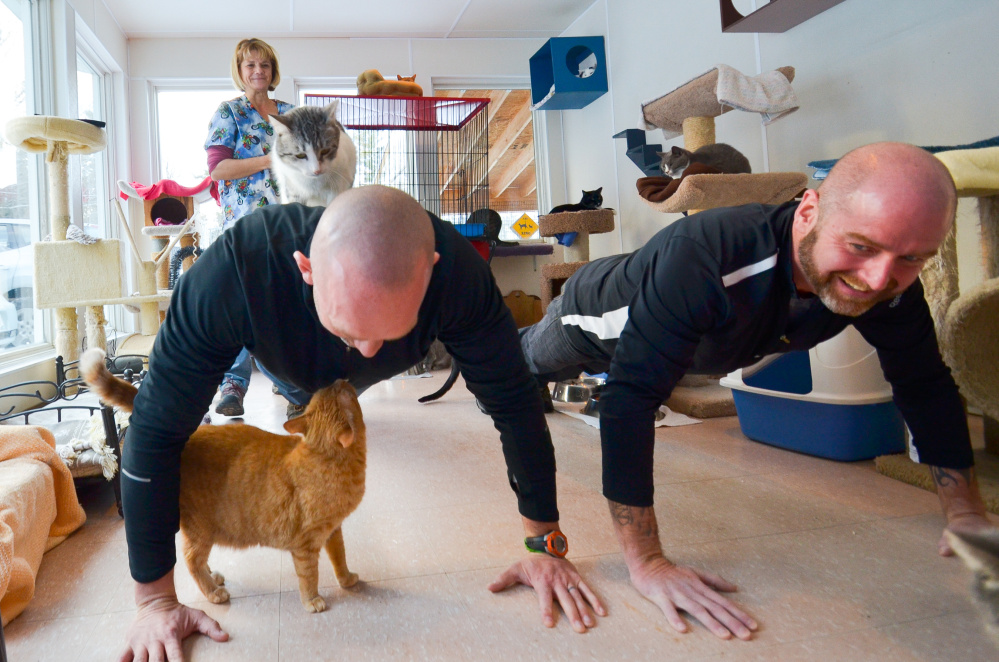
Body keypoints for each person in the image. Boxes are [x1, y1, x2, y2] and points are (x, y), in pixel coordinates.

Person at [519, 141, 995, 641]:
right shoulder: (708, 256)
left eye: (912, 258)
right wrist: (648, 563)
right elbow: (627, 404)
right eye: (860, 246)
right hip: (591, 317)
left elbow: (923, 384)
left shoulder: (889, 282)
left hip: (676, 336)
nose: (878, 278)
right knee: (527, 364)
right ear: (808, 211)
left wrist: (965, 513)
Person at [116, 185, 605, 662]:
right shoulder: (231, 276)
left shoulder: (460, 279)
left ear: (429, 273)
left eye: (387, 334)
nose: (365, 352)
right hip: (279, 350)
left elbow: (516, 407)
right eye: (350, 331)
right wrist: (154, 600)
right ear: (306, 270)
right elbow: (155, 434)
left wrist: (545, 542)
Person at [204, 37, 308, 418]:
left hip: (287, 226)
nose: (258, 71)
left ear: (272, 69)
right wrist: (269, 160)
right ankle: (234, 385)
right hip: (244, 228)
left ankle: (295, 385)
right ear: (241, 71)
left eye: (264, 64)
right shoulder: (229, 113)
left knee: (282, 307)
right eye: (250, 65)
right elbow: (218, 170)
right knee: (242, 305)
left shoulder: (292, 114)